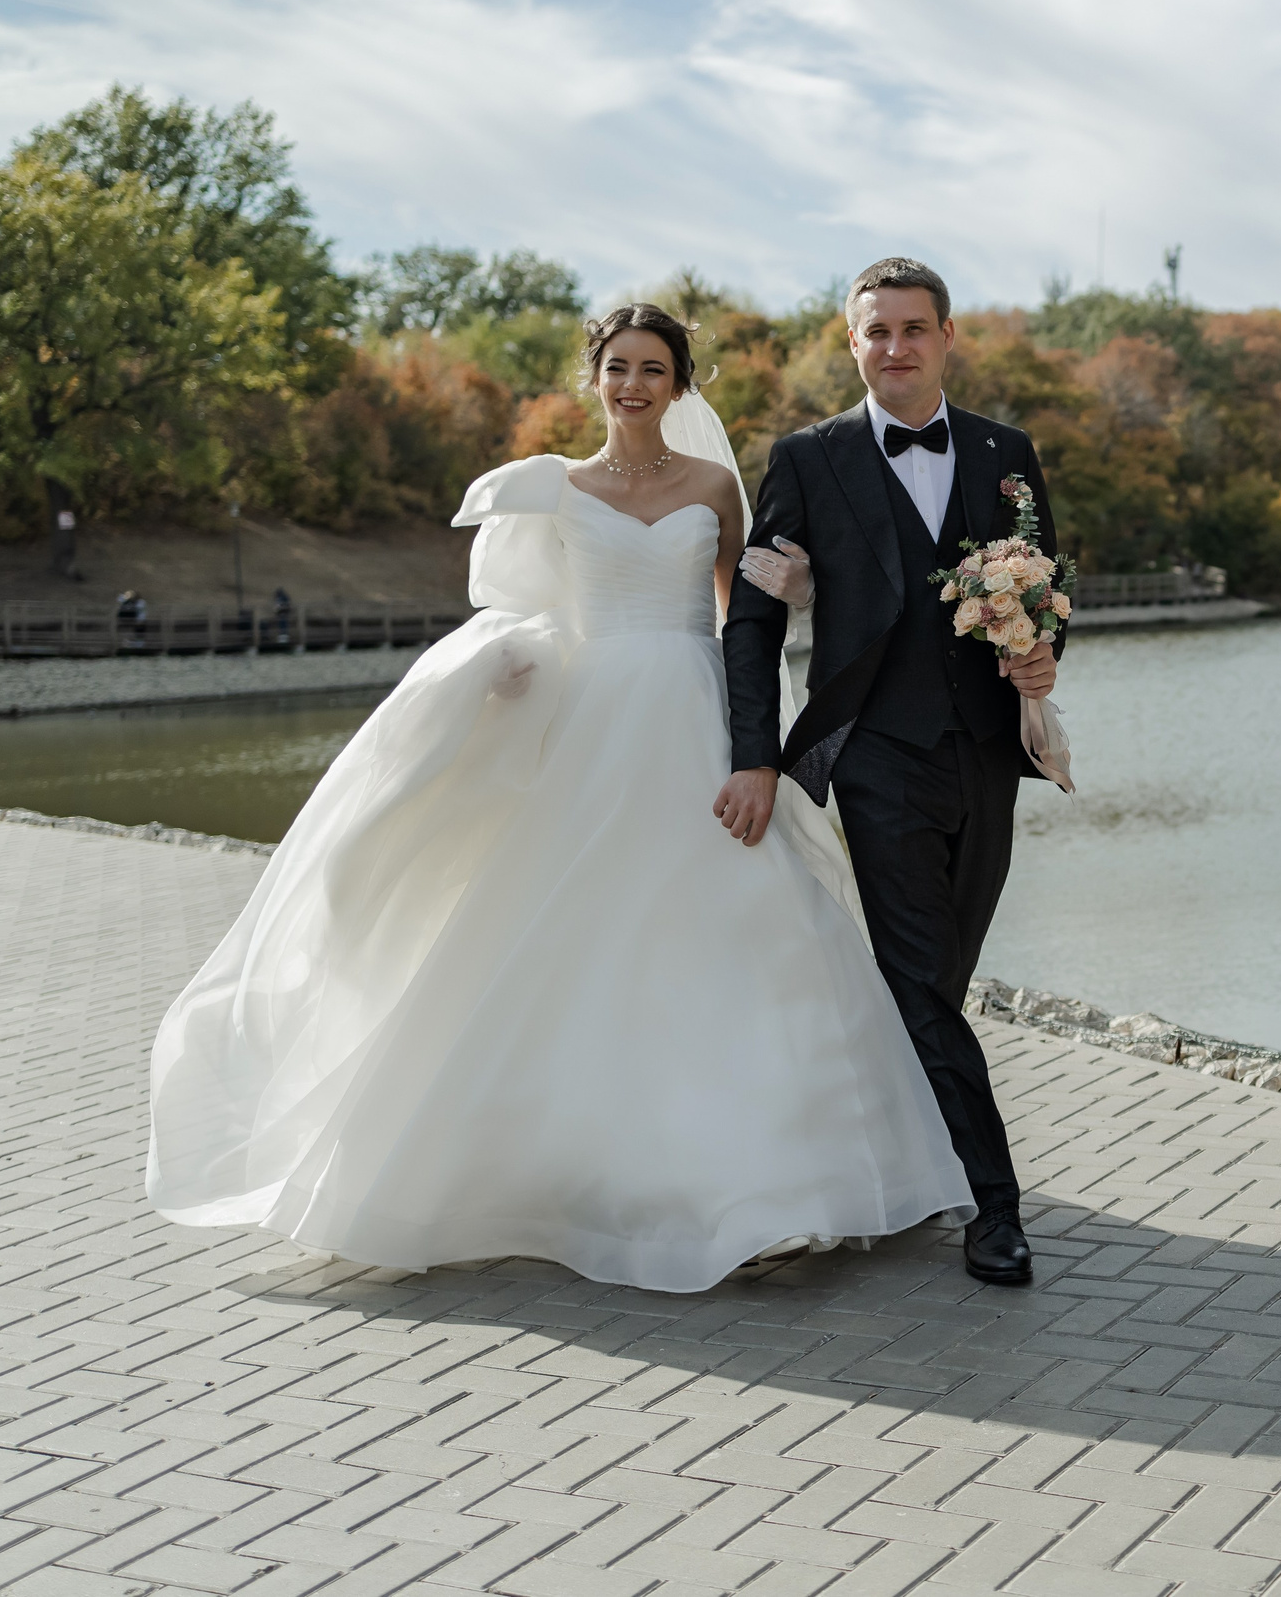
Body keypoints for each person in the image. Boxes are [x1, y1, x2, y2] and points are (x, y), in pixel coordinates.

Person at [146, 303, 972, 1291]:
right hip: (592, 724)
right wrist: (510, 667)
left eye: (653, 369)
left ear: (678, 384)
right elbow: (523, 611)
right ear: (594, 378)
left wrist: (771, 688)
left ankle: (769, 1185)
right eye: (617, 367)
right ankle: (562, 1174)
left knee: (739, 923)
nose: (632, 385)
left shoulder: (714, 485)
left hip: (692, 718)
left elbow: (737, 620)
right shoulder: (549, 490)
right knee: (565, 928)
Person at [721, 257, 1065, 1288]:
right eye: (878, 331)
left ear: (947, 338)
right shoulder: (807, 457)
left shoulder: (1008, 452)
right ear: (852, 339)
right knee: (919, 976)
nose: (897, 347)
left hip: (988, 756)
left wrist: (1047, 654)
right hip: (871, 755)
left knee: (939, 980)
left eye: (915, 329)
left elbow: (1043, 592)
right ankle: (994, 1208)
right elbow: (753, 619)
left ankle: (885, 1150)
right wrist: (755, 756)